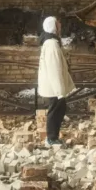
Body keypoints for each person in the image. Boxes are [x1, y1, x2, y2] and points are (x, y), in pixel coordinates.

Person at [37, 16, 76, 146]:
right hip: (54, 86)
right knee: (55, 110)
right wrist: (59, 91)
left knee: (60, 109)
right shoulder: (52, 44)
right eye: (58, 23)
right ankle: (51, 138)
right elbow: (54, 68)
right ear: (53, 26)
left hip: (55, 85)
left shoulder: (52, 41)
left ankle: (53, 136)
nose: (60, 25)